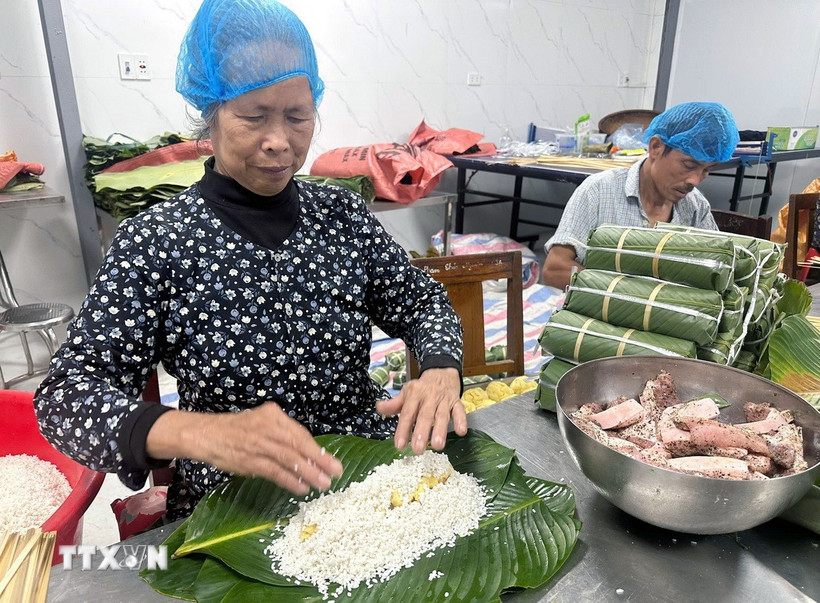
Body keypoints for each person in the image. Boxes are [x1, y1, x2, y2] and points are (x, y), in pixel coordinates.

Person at [35, 0, 465, 522]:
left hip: (363, 474)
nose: (279, 142)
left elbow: (422, 301)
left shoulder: (342, 215)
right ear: (210, 118)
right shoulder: (157, 242)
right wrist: (195, 433)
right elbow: (66, 397)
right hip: (234, 504)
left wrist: (441, 368)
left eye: (297, 116)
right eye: (253, 117)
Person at [541, 102, 740, 290]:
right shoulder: (599, 191)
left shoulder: (696, 206)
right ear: (656, 148)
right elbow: (554, 270)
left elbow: (716, 269)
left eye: (707, 170)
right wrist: (630, 294)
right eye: (689, 165)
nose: (695, 181)